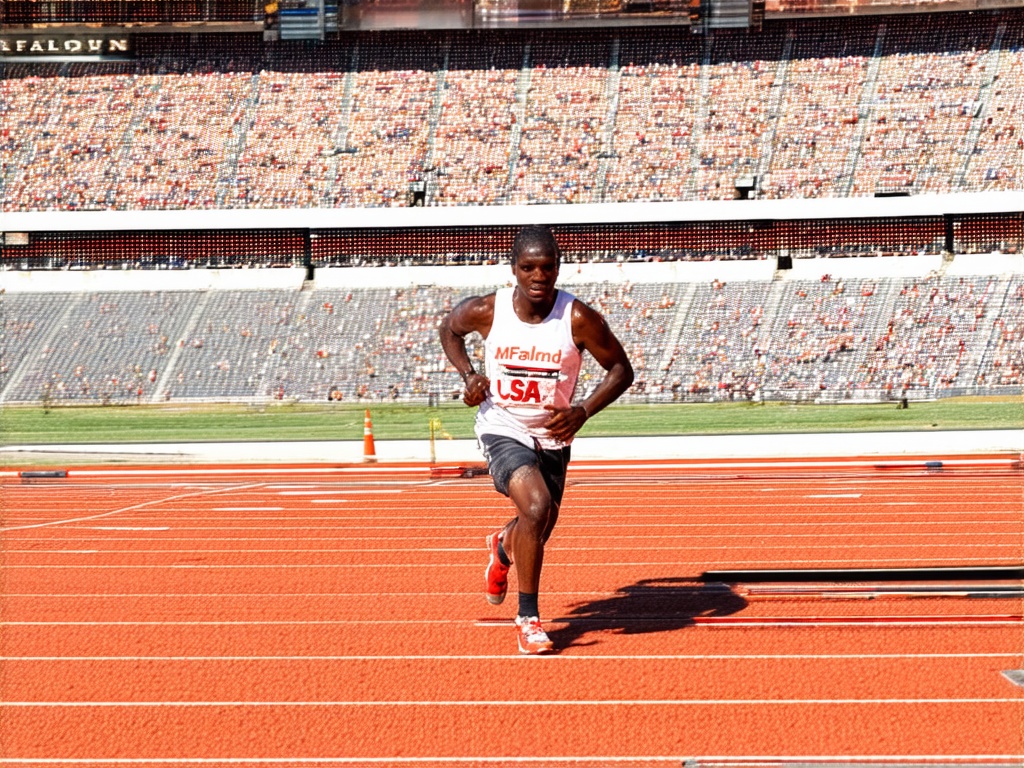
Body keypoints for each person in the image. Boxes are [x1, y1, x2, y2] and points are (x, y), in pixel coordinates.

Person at [438, 225, 634, 654]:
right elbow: (449, 329)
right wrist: (469, 376)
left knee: (537, 527)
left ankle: (502, 546)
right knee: (535, 506)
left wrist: (582, 411)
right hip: (502, 425)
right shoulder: (489, 311)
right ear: (514, 270)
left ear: (558, 269)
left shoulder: (578, 319)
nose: (538, 277)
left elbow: (622, 370)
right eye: (528, 268)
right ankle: (529, 619)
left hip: (553, 435)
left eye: (547, 268)